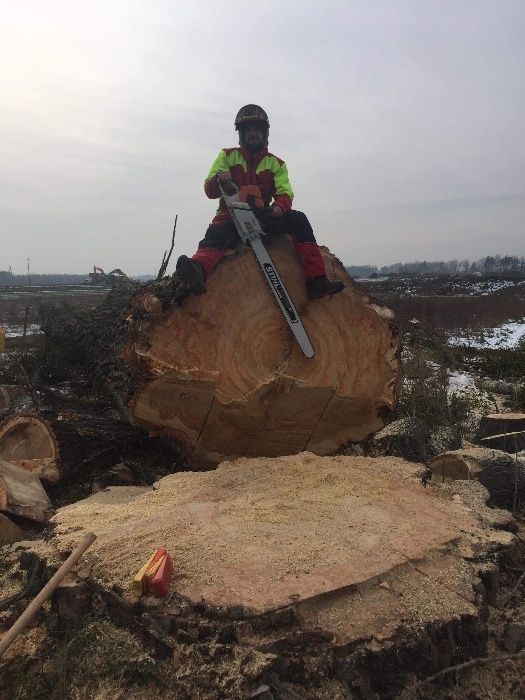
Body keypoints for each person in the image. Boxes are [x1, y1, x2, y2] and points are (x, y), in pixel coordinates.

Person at [176, 104, 345, 300]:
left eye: (257, 130)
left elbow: (285, 192)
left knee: (299, 220)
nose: (253, 134)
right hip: (231, 216)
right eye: (249, 130)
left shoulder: (276, 163)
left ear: (264, 133)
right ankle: (198, 270)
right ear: (242, 133)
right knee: (215, 234)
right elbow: (209, 189)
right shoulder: (227, 156)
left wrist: (279, 207)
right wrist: (219, 179)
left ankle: (316, 280)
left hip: (262, 216)